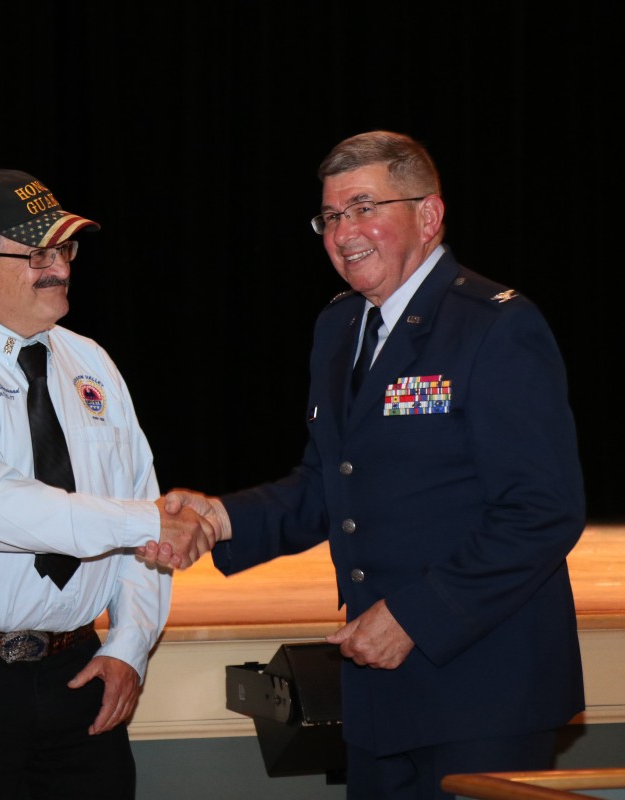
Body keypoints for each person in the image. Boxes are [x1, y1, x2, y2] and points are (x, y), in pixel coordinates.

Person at [144, 131, 585, 799]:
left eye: (364, 207)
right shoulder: (341, 328)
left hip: (483, 692)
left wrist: (415, 616)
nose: (344, 231)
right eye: (331, 215)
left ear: (429, 215)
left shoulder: (494, 326)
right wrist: (222, 517)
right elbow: (331, 482)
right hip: (379, 696)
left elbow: (543, 511)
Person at [0, 168, 214, 799]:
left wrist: (130, 647)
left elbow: (141, 511)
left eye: (64, 249)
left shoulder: (92, 363)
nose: (58, 266)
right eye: (35, 254)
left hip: (77, 677)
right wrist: (147, 522)